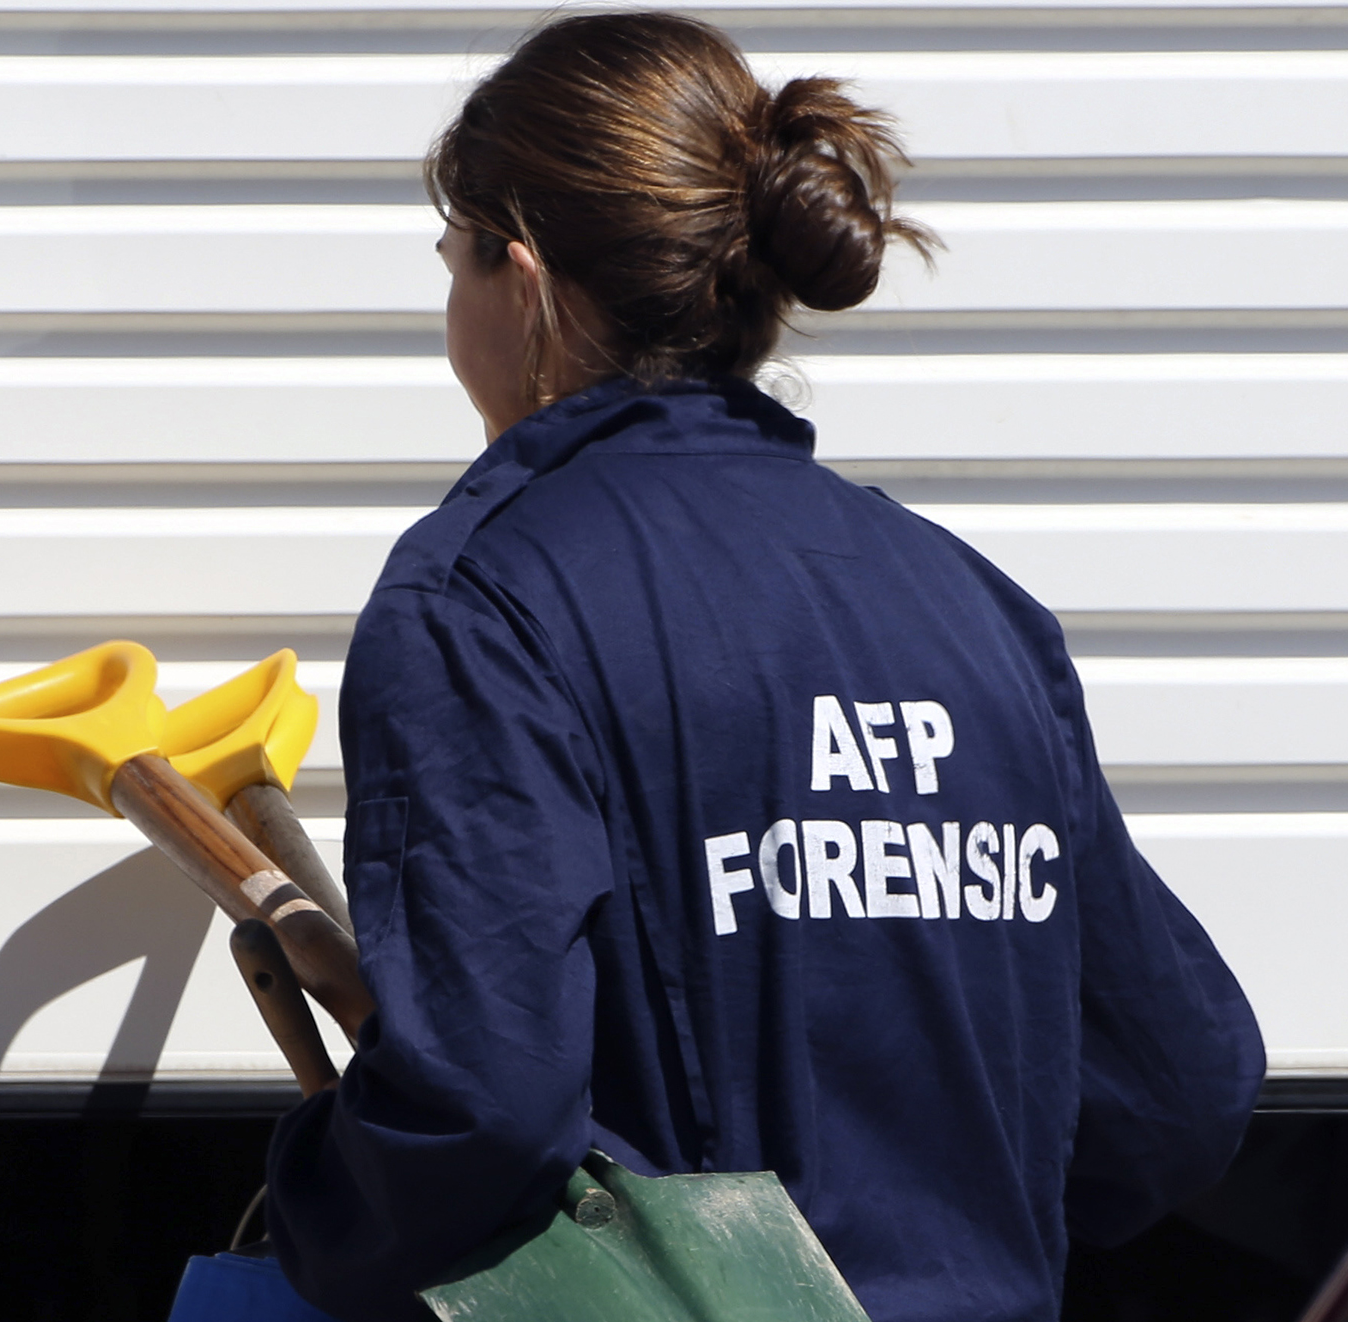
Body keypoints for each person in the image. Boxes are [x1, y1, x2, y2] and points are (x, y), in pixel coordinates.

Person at [260, 13, 1265, 1322]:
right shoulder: (970, 606)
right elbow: (1180, 1087)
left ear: (523, 276)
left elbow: (483, 1106)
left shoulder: (482, 601)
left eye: (452, 263)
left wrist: (321, 1200)